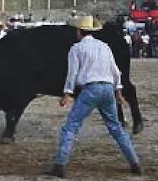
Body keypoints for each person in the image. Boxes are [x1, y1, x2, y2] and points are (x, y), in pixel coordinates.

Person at [46, 16, 142, 178]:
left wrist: (67, 93)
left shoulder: (76, 48)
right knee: (116, 128)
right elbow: (115, 71)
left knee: (71, 127)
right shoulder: (104, 47)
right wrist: (118, 91)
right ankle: (135, 163)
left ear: (79, 31)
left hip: (90, 89)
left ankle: (60, 164)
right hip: (108, 89)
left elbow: (72, 74)